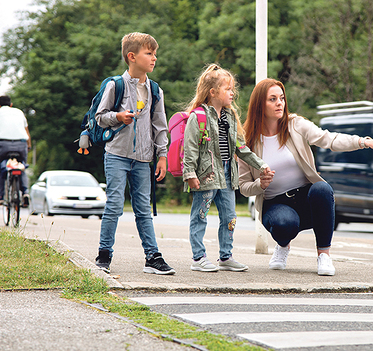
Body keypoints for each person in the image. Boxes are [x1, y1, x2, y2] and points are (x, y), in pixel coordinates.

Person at [238, 78, 373, 275]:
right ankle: (283, 246)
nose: (280, 103)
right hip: (275, 203)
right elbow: (243, 186)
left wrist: (364, 142)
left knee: (322, 188)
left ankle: (324, 256)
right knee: (284, 224)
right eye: (272, 99)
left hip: (306, 197)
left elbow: (329, 139)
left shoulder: (295, 125)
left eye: (282, 98)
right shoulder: (247, 140)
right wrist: (260, 184)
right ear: (260, 104)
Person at [94, 32, 174, 275]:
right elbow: (100, 117)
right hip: (117, 154)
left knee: (143, 209)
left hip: (143, 158)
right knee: (115, 205)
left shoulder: (155, 90)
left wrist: (162, 155)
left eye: (154, 53)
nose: (154, 58)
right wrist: (117, 116)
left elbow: (160, 126)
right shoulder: (114, 85)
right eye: (149, 53)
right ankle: (104, 255)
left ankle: (152, 257)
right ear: (132, 57)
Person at [182, 64, 272, 272]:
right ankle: (198, 258)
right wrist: (190, 173)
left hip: (227, 174)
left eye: (233, 89)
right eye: (228, 89)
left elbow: (241, 148)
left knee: (229, 217)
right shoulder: (198, 117)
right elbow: (190, 148)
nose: (233, 93)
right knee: (200, 215)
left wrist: (262, 164)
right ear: (212, 92)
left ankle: (226, 256)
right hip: (205, 175)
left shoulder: (230, 117)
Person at [0, 95, 31, 206]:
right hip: (21, 143)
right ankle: (25, 192)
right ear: (11, 104)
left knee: (0, 168)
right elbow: (27, 131)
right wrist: (28, 145)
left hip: (4, 145)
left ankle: (0, 197)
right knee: (21, 166)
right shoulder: (19, 112)